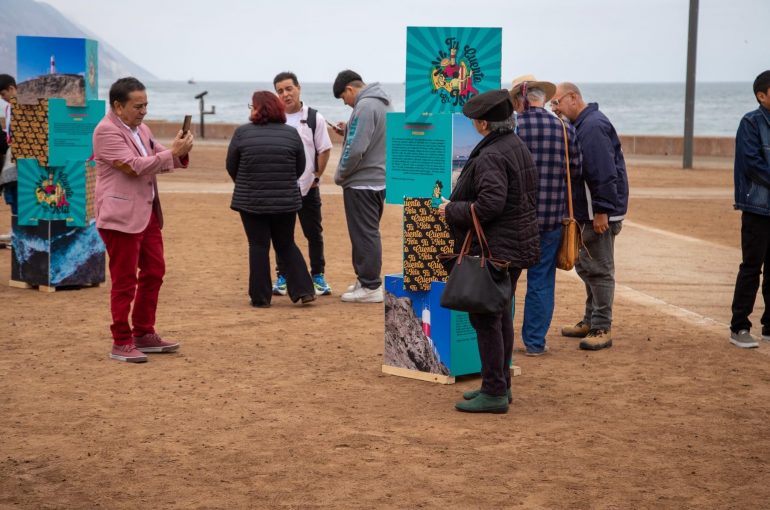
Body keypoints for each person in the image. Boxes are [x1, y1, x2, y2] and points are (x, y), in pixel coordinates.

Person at [438, 89, 539, 414]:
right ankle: (499, 384)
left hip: (495, 249)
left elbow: (491, 204)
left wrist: (452, 210)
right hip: (513, 245)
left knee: (486, 319)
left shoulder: (493, 154)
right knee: (499, 315)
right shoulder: (514, 145)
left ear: (484, 124)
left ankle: (494, 391)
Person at [93, 77, 194, 363]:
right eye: (138, 106)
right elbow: (134, 166)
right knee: (124, 281)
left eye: (146, 105)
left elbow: (159, 155)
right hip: (119, 217)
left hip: (146, 212)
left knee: (155, 271)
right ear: (118, 106)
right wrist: (172, 154)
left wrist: (180, 152)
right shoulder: (105, 131)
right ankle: (121, 341)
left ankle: (143, 332)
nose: (144, 111)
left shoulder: (141, 128)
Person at [551, 82, 629, 351]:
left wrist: (602, 211)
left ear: (573, 98)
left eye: (557, 102)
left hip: (598, 212)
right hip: (590, 210)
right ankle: (590, 319)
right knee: (587, 266)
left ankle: (601, 327)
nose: (555, 108)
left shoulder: (592, 126)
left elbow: (603, 172)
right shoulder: (583, 124)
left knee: (599, 269)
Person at [510, 75, 582, 356]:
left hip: (515, 220)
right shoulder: (564, 128)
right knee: (541, 281)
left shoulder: (514, 127)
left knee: (506, 280)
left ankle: (501, 340)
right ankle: (535, 343)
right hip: (552, 218)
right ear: (542, 99)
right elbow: (575, 172)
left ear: (521, 99)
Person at [226, 90, 315, 308]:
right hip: (285, 199)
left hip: (251, 200)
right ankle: (304, 290)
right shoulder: (291, 134)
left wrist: (246, 182)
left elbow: (232, 166)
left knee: (258, 245)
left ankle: (260, 297)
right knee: (286, 243)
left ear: (257, 109)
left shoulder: (242, 133)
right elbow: (300, 167)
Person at [271, 71, 334, 297]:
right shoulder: (275, 119)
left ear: (298, 88)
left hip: (308, 187)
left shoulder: (314, 117)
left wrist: (317, 175)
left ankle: (318, 275)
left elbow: (324, 149)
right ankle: (283, 276)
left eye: (289, 89)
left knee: (313, 233)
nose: (285, 94)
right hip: (282, 188)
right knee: (281, 235)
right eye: (280, 91)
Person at [332, 70, 392, 303]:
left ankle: (370, 286)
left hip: (362, 182)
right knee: (367, 233)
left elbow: (356, 149)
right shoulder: (383, 102)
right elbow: (375, 138)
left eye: (343, 98)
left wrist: (340, 174)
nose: (345, 103)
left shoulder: (365, 106)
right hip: (378, 179)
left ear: (349, 89)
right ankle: (365, 279)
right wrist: (347, 130)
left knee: (364, 235)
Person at [728, 70, 770, 349]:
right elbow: (752, 164)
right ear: (762, 96)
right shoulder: (751, 122)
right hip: (757, 207)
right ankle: (739, 326)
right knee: (751, 267)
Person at [0, 74, 18, 242]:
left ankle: (18, 233)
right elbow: (8, 135)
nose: (3, 98)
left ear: (12, 88)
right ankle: (14, 231)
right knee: (11, 193)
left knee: (20, 193)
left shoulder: (25, 105)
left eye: (4, 94)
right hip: (12, 156)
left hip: (24, 157)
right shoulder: (8, 109)